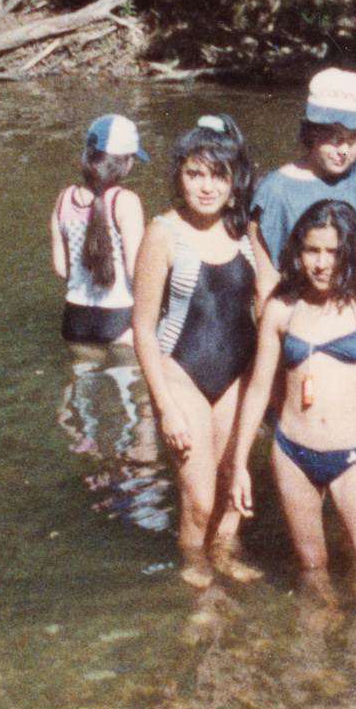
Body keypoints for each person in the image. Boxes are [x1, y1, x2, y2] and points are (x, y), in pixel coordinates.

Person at [229, 199, 356, 593]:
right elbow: (258, 390)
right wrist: (239, 464)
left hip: (352, 458)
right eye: (312, 250)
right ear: (298, 251)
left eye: (334, 252)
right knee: (312, 569)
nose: (322, 263)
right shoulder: (281, 310)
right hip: (292, 454)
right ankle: (318, 630)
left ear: (350, 253)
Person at [131, 114, 261, 587]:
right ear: (179, 176)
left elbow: (269, 303)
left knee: (231, 489)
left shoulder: (246, 231)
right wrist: (165, 406)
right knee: (200, 499)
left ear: (234, 180)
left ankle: (224, 556)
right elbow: (142, 327)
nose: (207, 187)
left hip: (236, 374)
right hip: (181, 372)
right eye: (194, 174)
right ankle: (195, 572)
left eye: (219, 175)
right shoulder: (163, 233)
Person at [250, 68, 356, 312]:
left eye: (353, 138)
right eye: (333, 136)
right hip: (300, 320)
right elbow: (266, 284)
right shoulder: (274, 192)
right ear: (311, 131)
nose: (343, 150)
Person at [49, 113, 148, 349]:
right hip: (119, 318)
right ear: (126, 162)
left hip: (75, 321)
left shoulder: (64, 198)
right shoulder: (126, 201)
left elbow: (61, 269)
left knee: (83, 372)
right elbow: (136, 271)